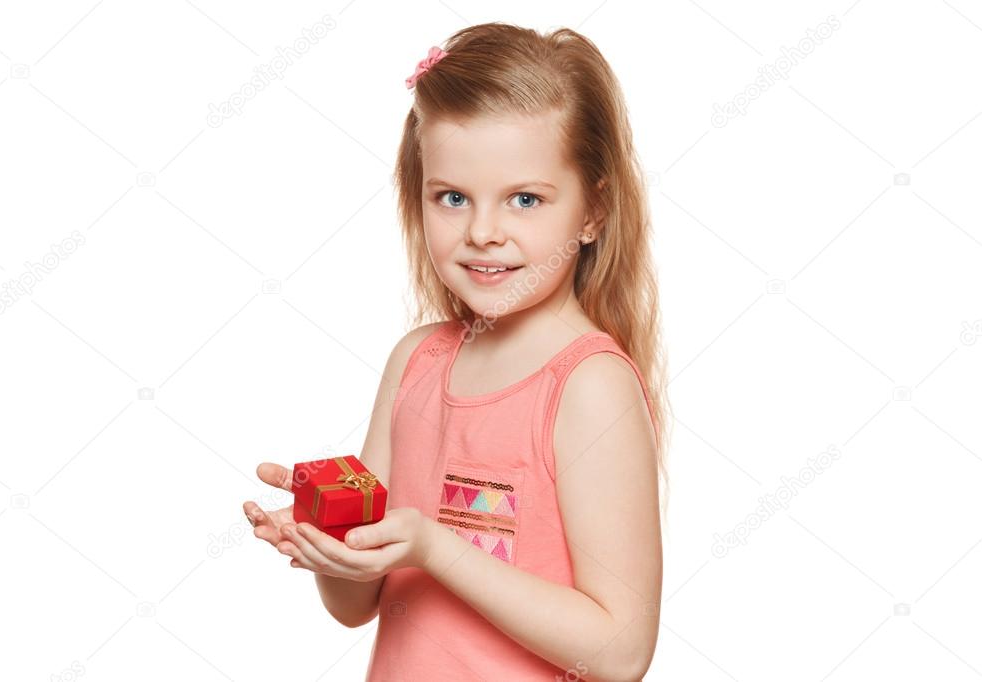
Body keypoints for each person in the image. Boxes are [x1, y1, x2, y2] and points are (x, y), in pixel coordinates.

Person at [243, 21, 671, 681]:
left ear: (592, 212)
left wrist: (435, 549)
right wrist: (327, 534)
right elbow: (355, 605)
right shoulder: (415, 362)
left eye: (524, 200)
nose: (481, 233)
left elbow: (620, 651)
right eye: (452, 198)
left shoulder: (588, 386)